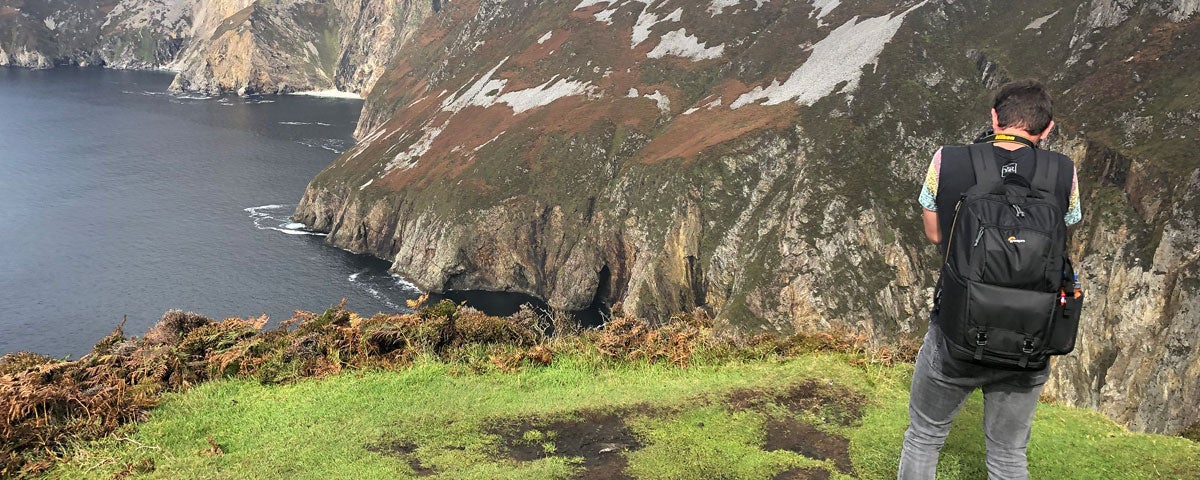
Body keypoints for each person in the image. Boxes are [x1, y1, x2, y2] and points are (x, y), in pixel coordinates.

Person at [898, 79, 1082, 480]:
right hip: (1030, 339)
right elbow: (1066, 232)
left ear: (994, 117)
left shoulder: (948, 160)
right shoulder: (1063, 172)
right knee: (1008, 455)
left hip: (958, 331)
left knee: (925, 436)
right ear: (1047, 129)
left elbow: (934, 233)